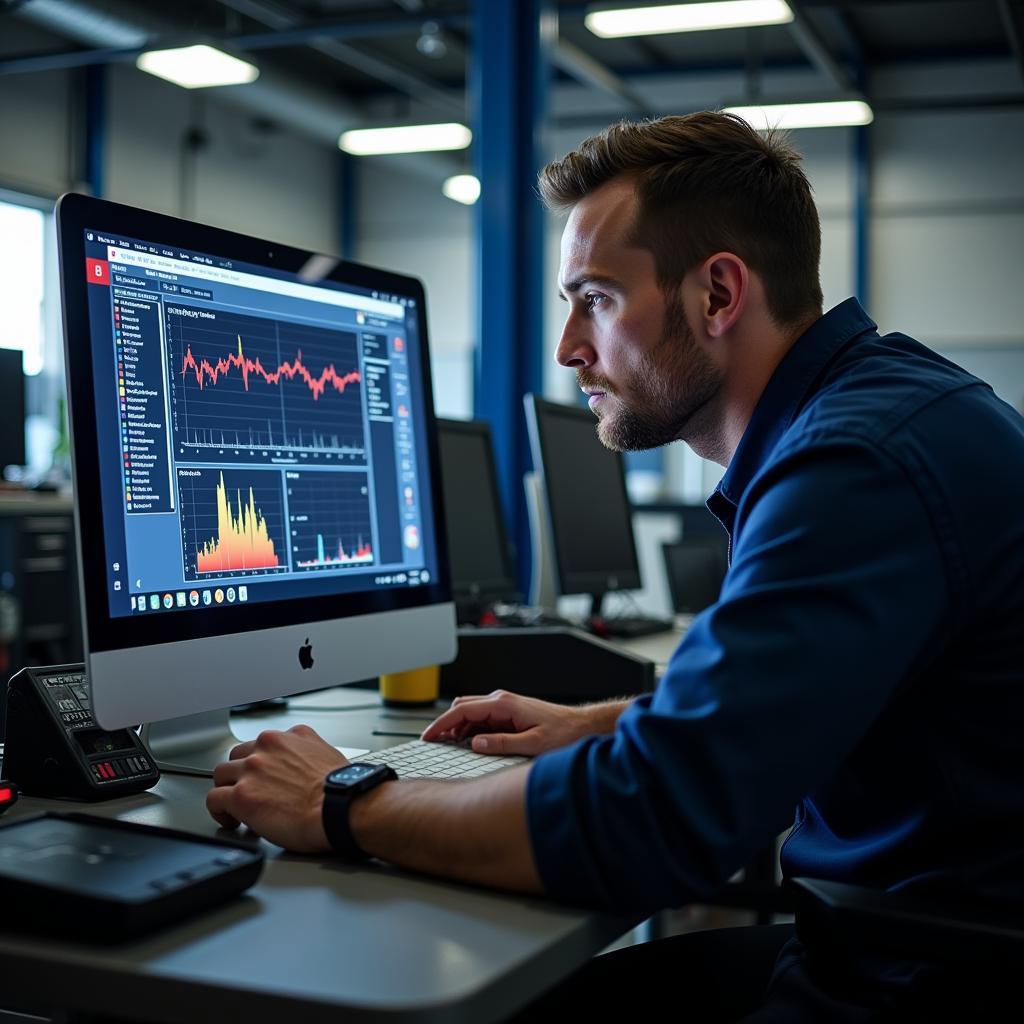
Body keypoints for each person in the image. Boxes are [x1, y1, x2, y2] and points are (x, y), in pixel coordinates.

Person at [207, 112, 1024, 1019]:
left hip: (916, 981)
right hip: (915, 940)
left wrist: (341, 802)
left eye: (594, 297)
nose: (568, 348)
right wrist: (611, 724)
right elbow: (819, 705)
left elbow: (654, 824)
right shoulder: (887, 413)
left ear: (719, 294)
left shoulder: (855, 464)